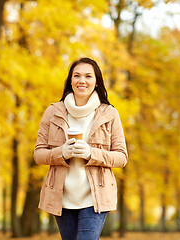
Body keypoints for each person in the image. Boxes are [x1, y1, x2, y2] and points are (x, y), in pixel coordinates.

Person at [34, 57, 128, 240]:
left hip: (95, 197)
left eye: (88, 76)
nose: (81, 81)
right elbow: (38, 154)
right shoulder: (53, 112)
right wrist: (60, 153)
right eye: (76, 75)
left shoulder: (109, 114)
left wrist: (91, 154)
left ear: (96, 81)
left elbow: (121, 157)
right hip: (62, 197)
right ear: (70, 80)